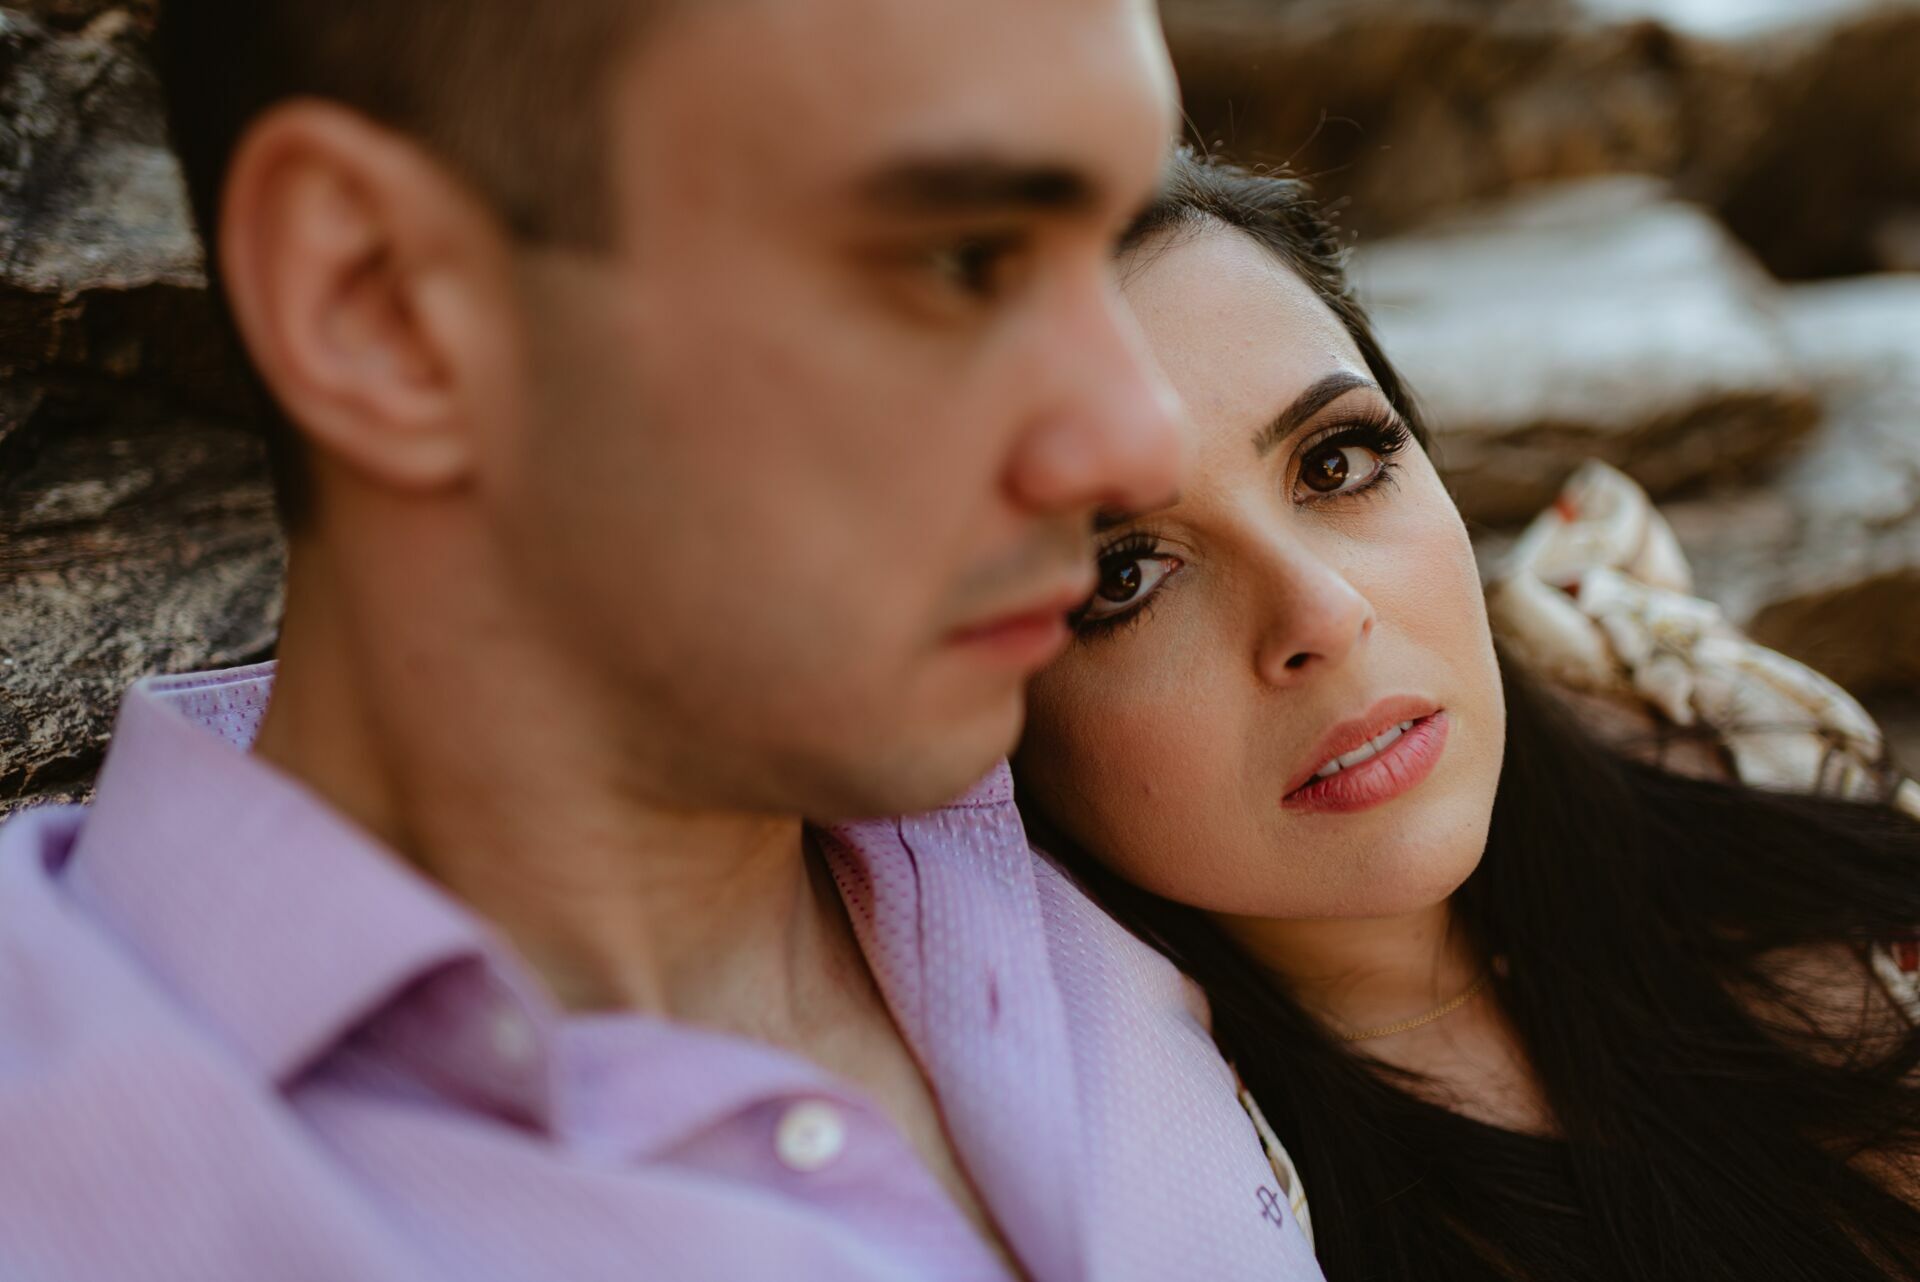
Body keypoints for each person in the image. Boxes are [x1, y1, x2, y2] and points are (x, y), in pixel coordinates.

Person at [0, 9, 1321, 1282]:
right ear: (381, 302)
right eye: (963, 259)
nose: (1134, 442)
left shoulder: (1127, 815)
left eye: (1100, 255)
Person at [1013, 152, 1920, 1282]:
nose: (1327, 615)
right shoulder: (1212, 1217)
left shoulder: (1726, 742)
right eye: (1128, 574)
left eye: (1336, 461)